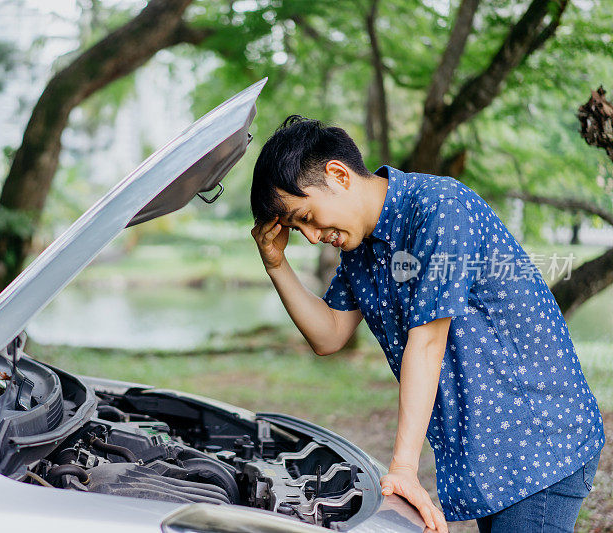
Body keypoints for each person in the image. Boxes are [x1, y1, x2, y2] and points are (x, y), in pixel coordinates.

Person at [250, 115, 605, 532]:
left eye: (306, 216)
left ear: (338, 174)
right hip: (490, 460)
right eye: (297, 228)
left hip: (540, 443)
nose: (310, 236)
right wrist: (276, 265)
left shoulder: (440, 209)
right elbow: (330, 334)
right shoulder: (361, 248)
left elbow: (428, 342)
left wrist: (403, 468)